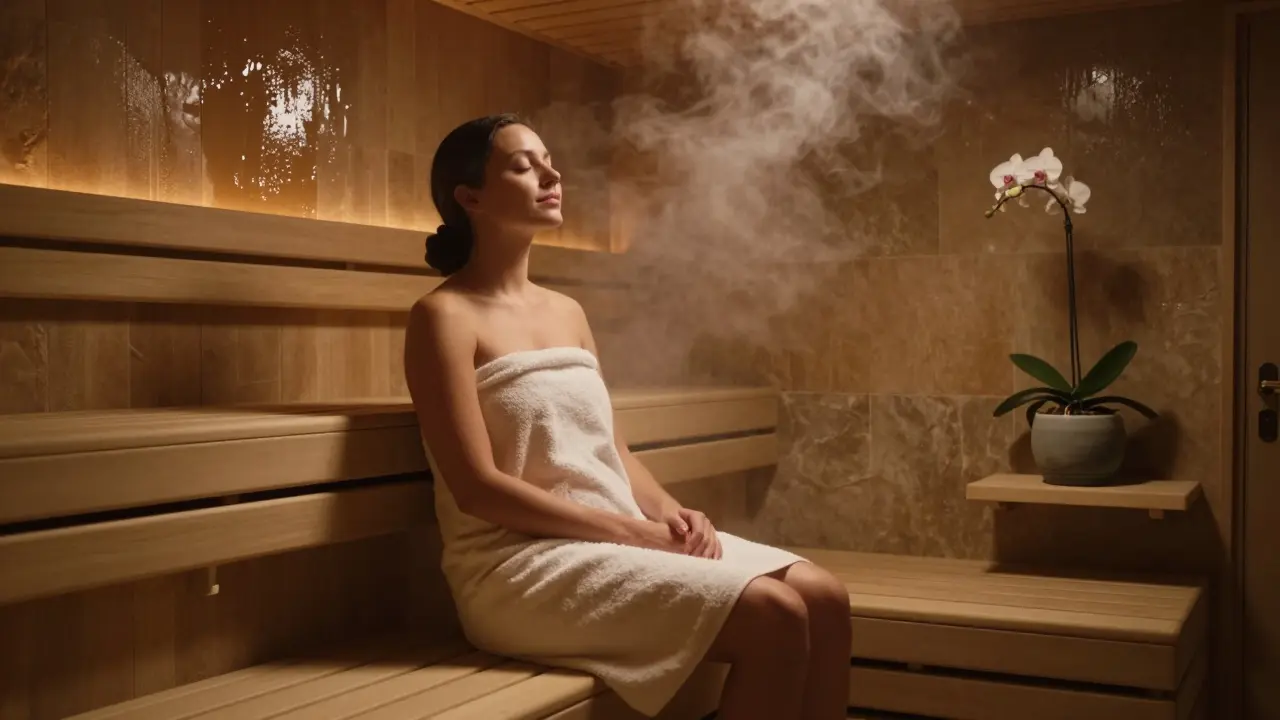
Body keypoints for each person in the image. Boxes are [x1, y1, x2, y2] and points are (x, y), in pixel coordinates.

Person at [403, 113, 852, 720]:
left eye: (548, 161)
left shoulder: (567, 312)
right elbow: (476, 488)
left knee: (825, 597)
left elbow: (613, 451)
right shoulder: (442, 318)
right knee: (775, 615)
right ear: (470, 198)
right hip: (519, 566)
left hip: (614, 539)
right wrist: (635, 533)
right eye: (523, 166)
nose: (551, 175)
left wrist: (671, 514)